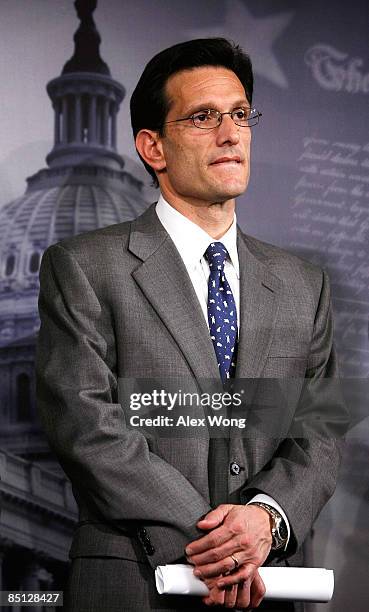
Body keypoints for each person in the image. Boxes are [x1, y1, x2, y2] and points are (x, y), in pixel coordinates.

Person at [36, 38, 346, 611]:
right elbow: (87, 429)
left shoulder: (306, 284)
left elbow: (322, 429)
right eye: (204, 117)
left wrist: (265, 520)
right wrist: (225, 548)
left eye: (239, 115)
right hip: (134, 585)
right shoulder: (81, 266)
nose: (231, 134)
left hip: (267, 589)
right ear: (152, 146)